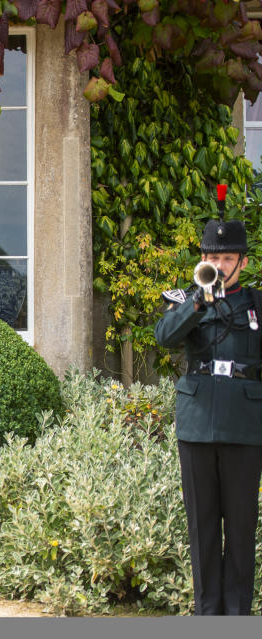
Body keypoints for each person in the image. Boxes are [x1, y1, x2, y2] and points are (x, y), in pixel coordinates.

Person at [154, 206, 262, 615]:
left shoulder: (257, 305)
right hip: (197, 427)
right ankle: (207, 617)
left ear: (242, 262)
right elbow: (164, 336)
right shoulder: (187, 299)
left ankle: (237, 618)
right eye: (212, 258)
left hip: (245, 428)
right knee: (201, 530)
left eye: (227, 259)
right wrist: (198, 300)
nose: (218, 265)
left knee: (240, 529)